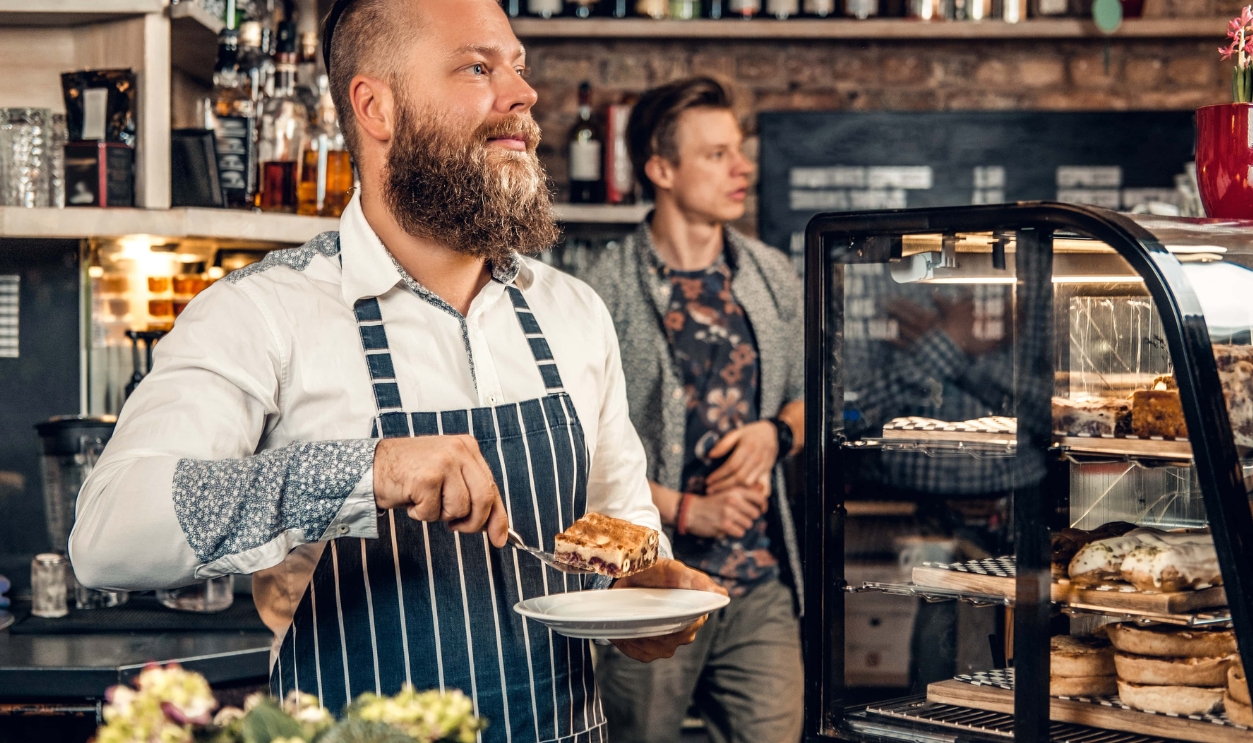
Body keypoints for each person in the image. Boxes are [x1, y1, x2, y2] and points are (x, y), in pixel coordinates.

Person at [68, 1, 724, 741]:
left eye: (518, 66)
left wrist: (644, 594)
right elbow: (106, 531)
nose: (522, 94)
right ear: (375, 106)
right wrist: (364, 471)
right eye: (478, 68)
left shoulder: (572, 311)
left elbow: (623, 523)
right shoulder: (263, 312)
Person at [583, 77, 805, 743]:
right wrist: (687, 510)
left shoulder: (771, 274)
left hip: (757, 580)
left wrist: (775, 433)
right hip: (649, 584)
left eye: (737, 151)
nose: (741, 168)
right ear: (660, 169)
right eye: (714, 154)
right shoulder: (600, 291)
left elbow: (813, 394)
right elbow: (580, 448)